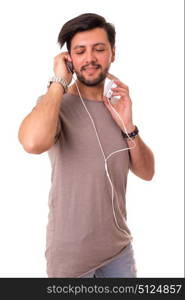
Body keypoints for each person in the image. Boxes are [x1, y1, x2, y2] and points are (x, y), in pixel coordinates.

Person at [18, 13, 155, 278]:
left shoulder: (116, 107)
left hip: (119, 253)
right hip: (71, 261)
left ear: (112, 53)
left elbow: (147, 172)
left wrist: (128, 125)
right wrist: (59, 83)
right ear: (69, 59)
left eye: (99, 49)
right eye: (80, 51)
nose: (90, 58)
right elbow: (32, 143)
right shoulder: (54, 105)